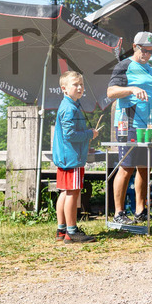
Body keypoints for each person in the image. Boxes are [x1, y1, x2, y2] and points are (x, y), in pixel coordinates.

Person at [107, 32, 152, 224]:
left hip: (147, 126)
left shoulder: (150, 69)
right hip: (128, 125)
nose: (147, 54)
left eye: (151, 51)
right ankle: (119, 213)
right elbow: (111, 92)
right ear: (134, 46)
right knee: (126, 168)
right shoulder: (125, 66)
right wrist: (131, 89)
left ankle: (141, 211)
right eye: (144, 50)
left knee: (145, 168)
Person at [54, 70, 100, 243]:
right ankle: (72, 232)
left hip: (67, 157)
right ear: (64, 88)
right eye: (75, 84)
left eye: (81, 84)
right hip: (72, 158)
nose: (80, 87)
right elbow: (70, 135)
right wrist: (89, 134)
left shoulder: (72, 105)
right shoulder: (69, 108)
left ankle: (61, 229)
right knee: (73, 192)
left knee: (65, 192)